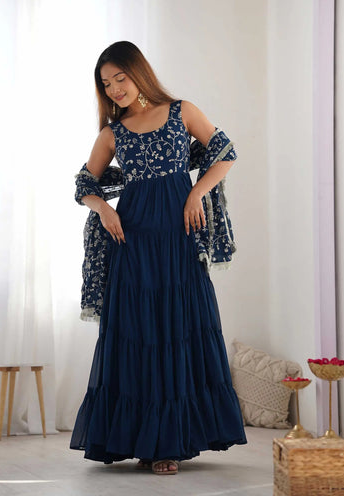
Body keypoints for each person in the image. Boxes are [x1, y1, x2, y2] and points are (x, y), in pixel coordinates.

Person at [70, 40, 247, 475]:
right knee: (140, 331)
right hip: (133, 242)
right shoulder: (111, 134)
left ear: (139, 73)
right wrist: (104, 208)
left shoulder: (181, 111)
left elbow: (224, 152)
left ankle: (170, 443)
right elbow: (84, 185)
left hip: (179, 236)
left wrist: (197, 192)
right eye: (106, 84)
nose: (114, 89)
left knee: (180, 327)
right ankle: (143, 443)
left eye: (120, 78)